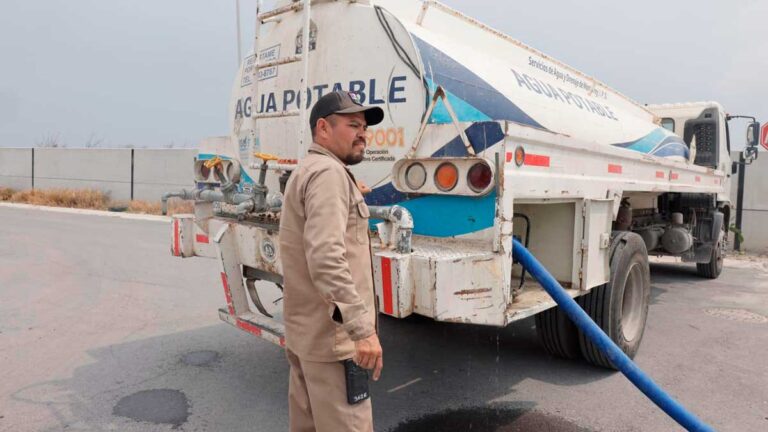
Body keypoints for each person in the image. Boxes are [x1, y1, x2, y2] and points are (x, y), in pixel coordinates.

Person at [279, 90, 385, 432]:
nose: (362, 134)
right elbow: (326, 258)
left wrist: (351, 192)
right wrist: (362, 330)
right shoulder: (328, 175)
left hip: (308, 338)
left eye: (364, 127)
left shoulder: (311, 169)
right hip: (336, 343)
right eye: (353, 125)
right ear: (323, 128)